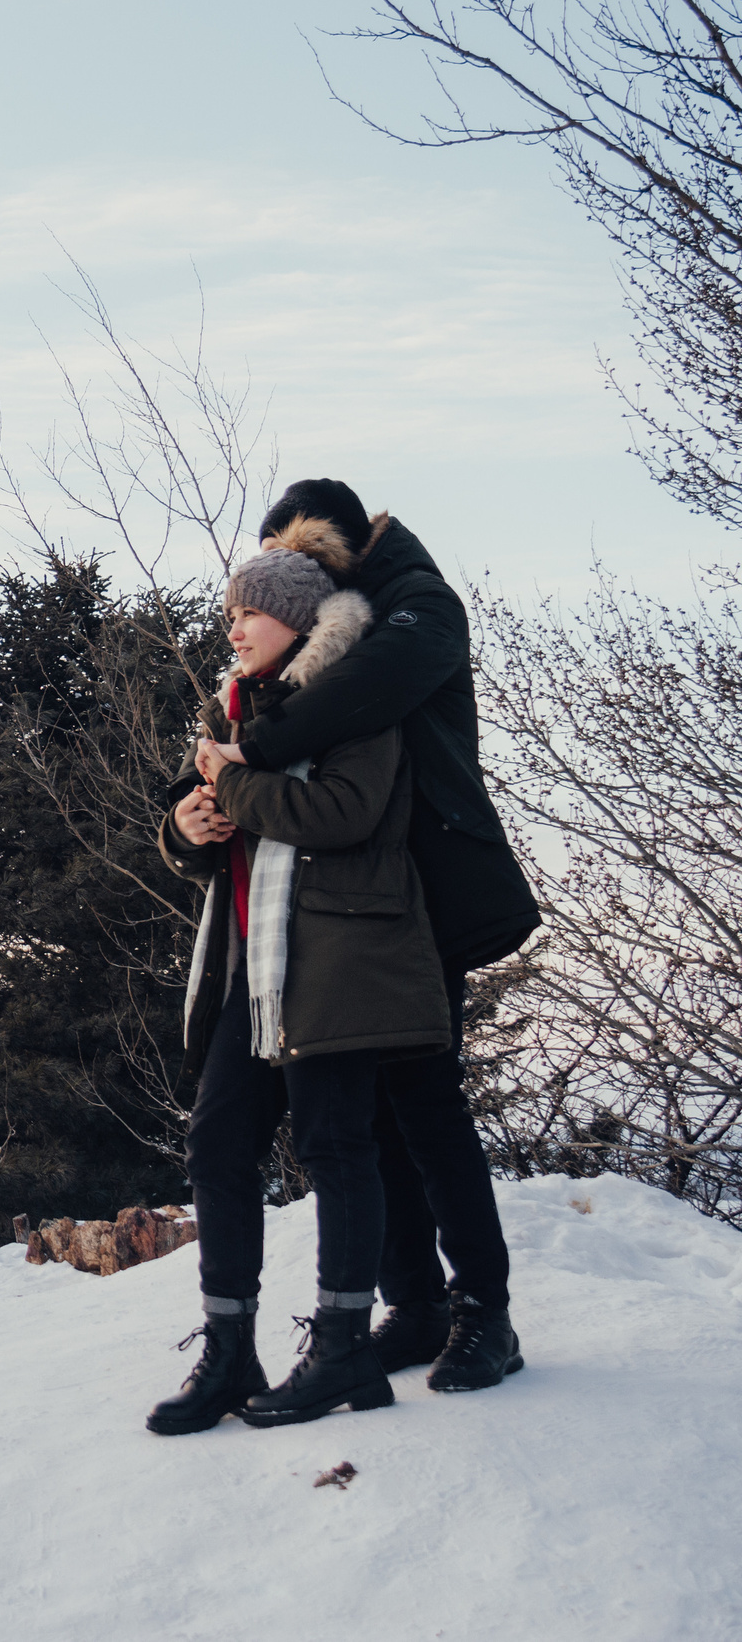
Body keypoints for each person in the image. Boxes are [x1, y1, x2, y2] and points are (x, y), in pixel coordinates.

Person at [209, 479, 535, 1394]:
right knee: (374, 1111)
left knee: (427, 1106)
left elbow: (365, 693)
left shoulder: (416, 606)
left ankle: (487, 1313)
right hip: (360, 908)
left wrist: (254, 756)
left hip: (425, 892)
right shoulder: (338, 618)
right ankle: (418, 1303)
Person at [144, 520, 454, 1434]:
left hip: (338, 965)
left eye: (250, 613)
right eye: (231, 611)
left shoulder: (354, 699)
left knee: (334, 1147)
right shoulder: (230, 712)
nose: (233, 628)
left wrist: (234, 786)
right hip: (256, 968)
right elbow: (204, 827)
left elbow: (344, 813)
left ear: (295, 620)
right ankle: (230, 1348)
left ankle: (346, 1348)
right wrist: (187, 829)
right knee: (216, 1145)